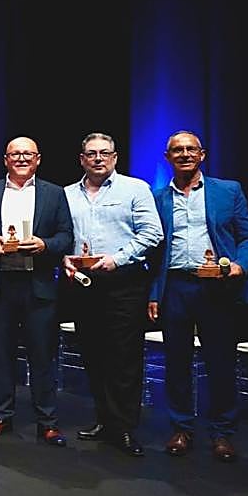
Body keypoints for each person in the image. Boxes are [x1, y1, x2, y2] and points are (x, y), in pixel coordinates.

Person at [148, 131, 248, 462]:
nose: (184, 154)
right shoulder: (157, 198)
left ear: (202, 154)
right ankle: (181, 428)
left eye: (190, 149)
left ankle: (222, 433)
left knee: (220, 362)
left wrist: (240, 265)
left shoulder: (228, 190)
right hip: (176, 287)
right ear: (167, 157)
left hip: (217, 287)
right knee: (177, 362)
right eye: (177, 150)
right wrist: (154, 295)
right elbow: (154, 254)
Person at [0, 137, 74, 447]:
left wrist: (44, 245)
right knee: (1, 354)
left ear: (38, 159)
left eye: (27, 154)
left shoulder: (55, 194)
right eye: (15, 153)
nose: (21, 158)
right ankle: (1, 415)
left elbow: (66, 235)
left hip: (37, 284)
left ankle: (48, 422)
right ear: (5, 159)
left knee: (42, 355)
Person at [61, 132, 163, 457]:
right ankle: (104, 420)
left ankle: (124, 428)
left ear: (115, 158)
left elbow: (153, 233)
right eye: (91, 153)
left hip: (124, 283)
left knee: (124, 358)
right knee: (93, 355)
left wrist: (116, 258)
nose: (98, 159)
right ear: (82, 159)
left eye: (105, 153)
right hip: (83, 286)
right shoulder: (67, 195)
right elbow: (63, 237)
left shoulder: (136, 189)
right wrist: (63, 258)